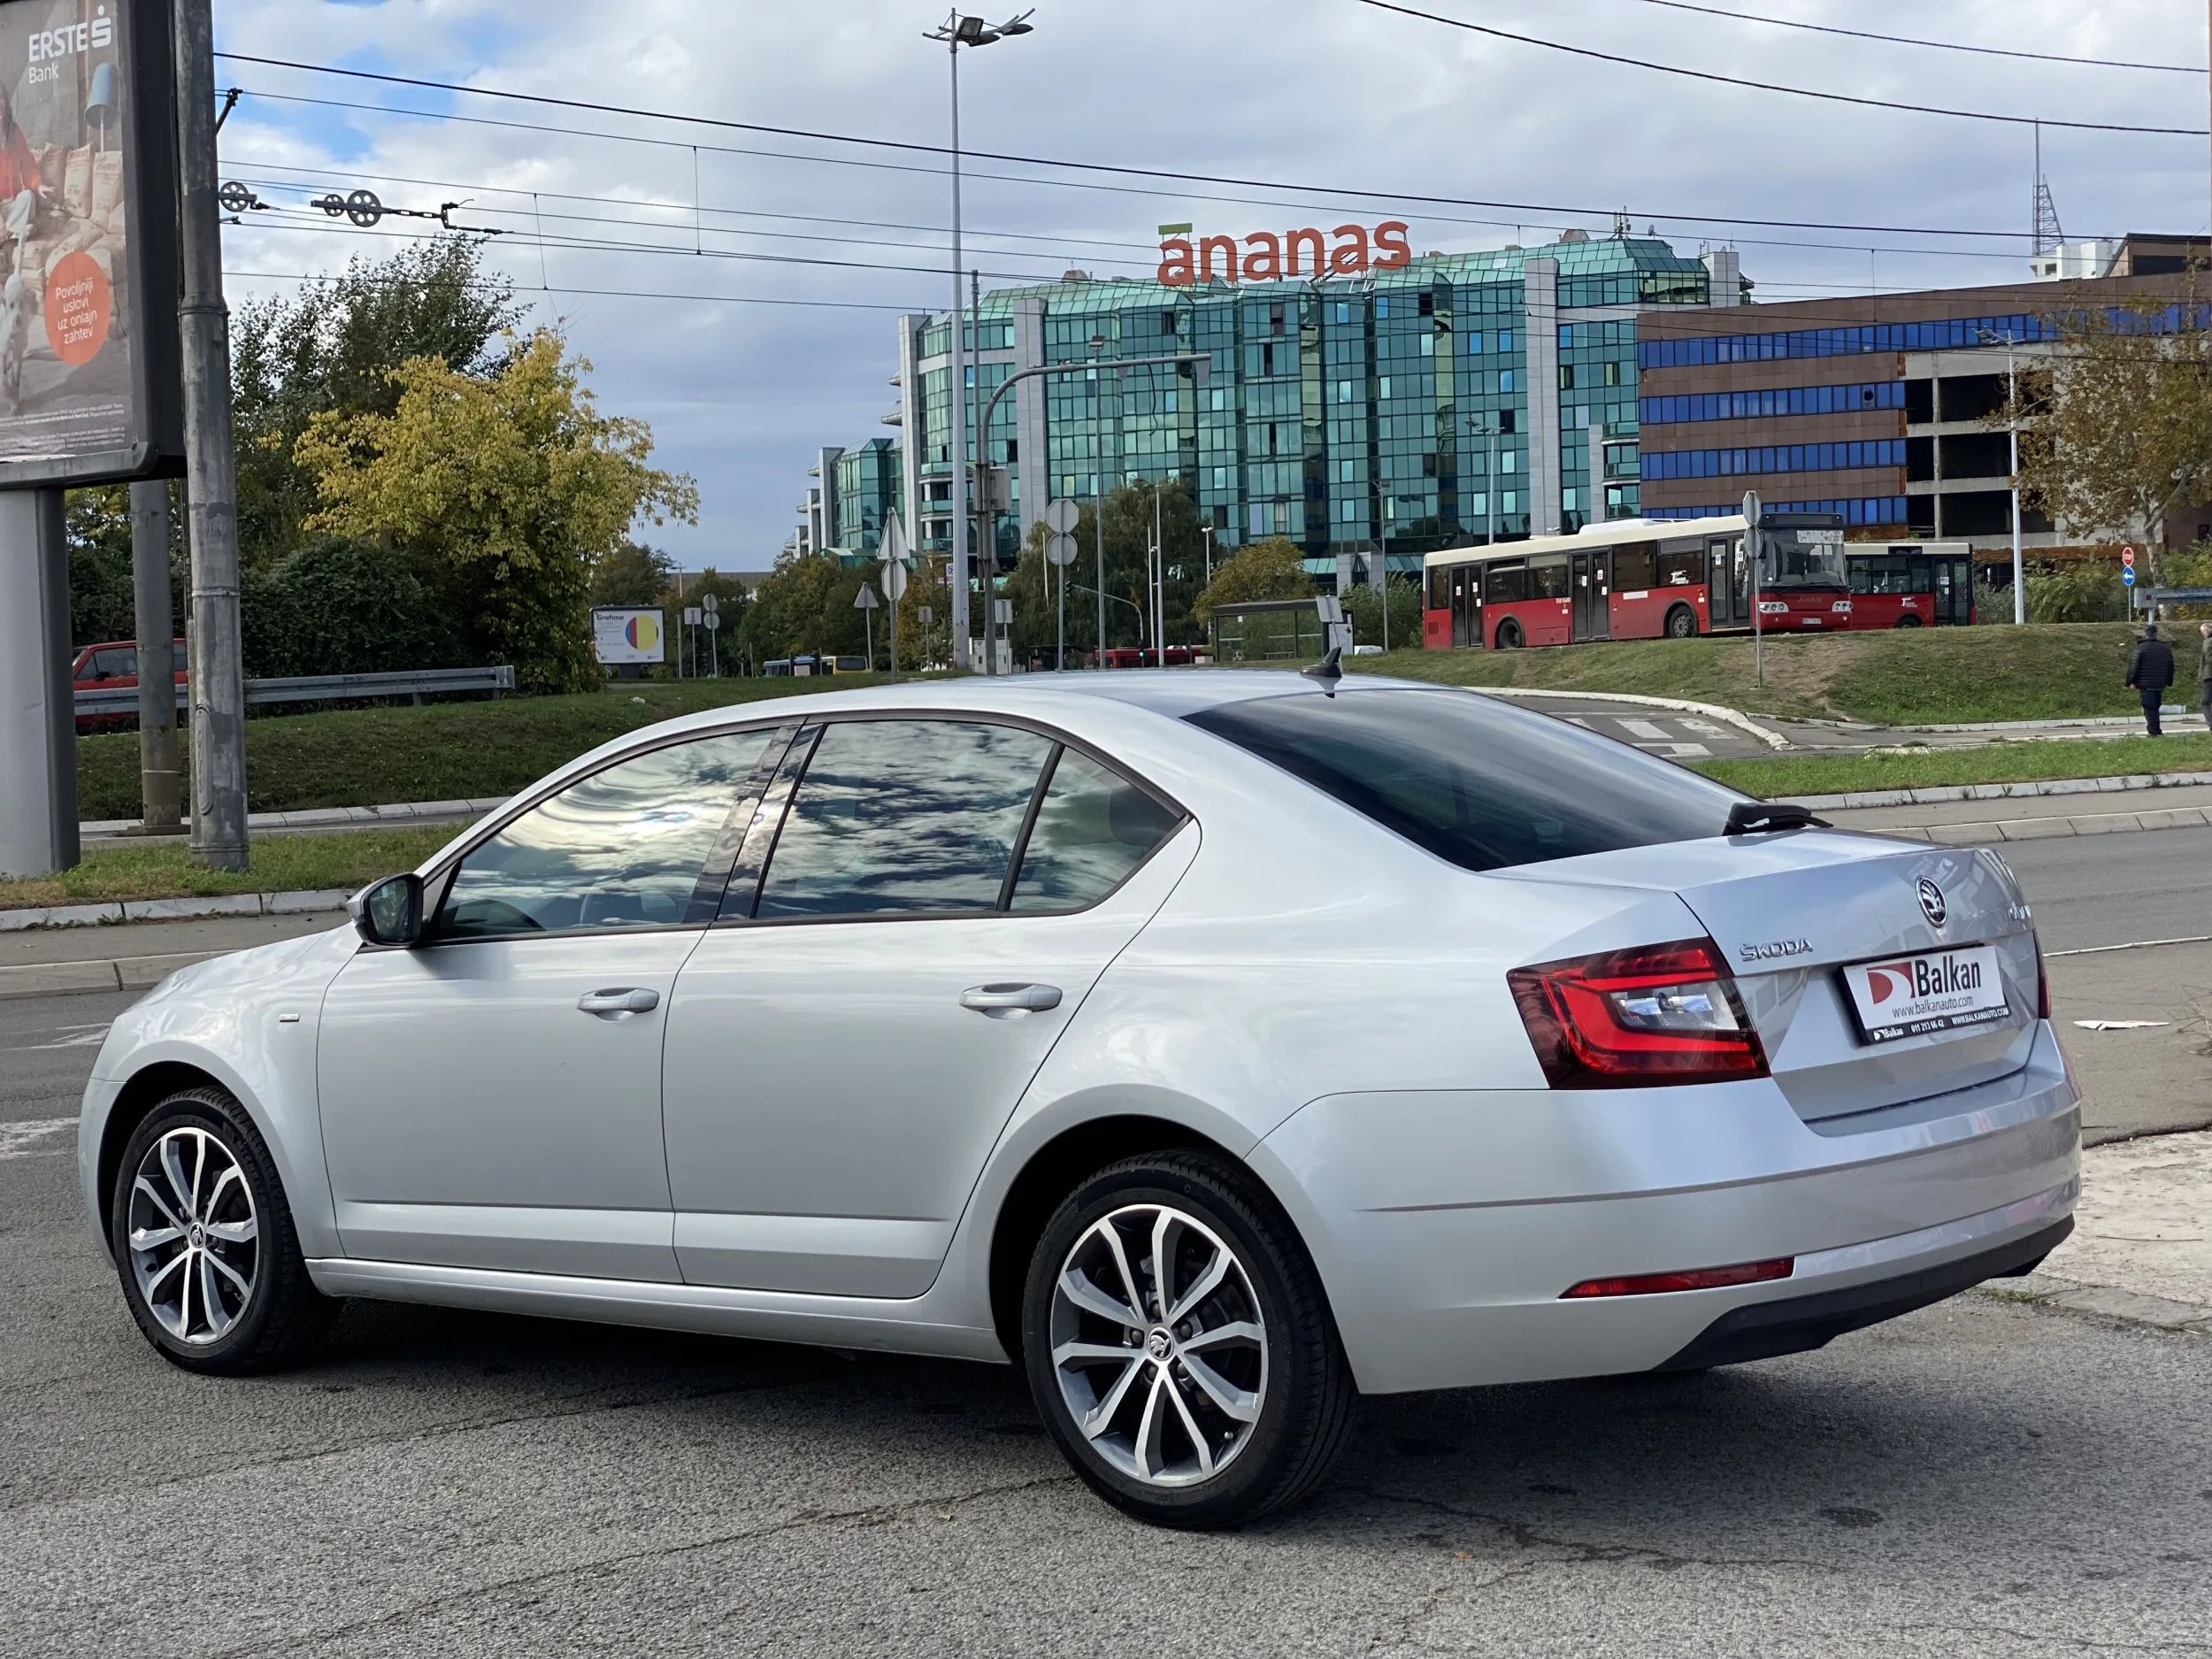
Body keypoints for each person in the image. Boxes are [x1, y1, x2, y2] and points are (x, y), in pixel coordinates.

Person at [2125, 621, 2176, 735]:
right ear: (2156, 634)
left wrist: (2131, 682)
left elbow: (2134, 666)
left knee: (2149, 708)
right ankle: (2156, 730)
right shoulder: (2165, 648)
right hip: (2159, 683)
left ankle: (2154, 731)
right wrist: (2168, 681)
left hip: (2145, 684)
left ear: (2146, 634)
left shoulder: (2140, 647)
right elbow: (2170, 666)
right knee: (2155, 707)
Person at [2200, 621, 2212, 734]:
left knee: (2205, 702)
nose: (2202, 634)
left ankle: (2211, 724)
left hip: (2209, 676)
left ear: (2207, 630)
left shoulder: (2208, 642)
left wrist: (2201, 675)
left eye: (2202, 632)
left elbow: (2208, 659)